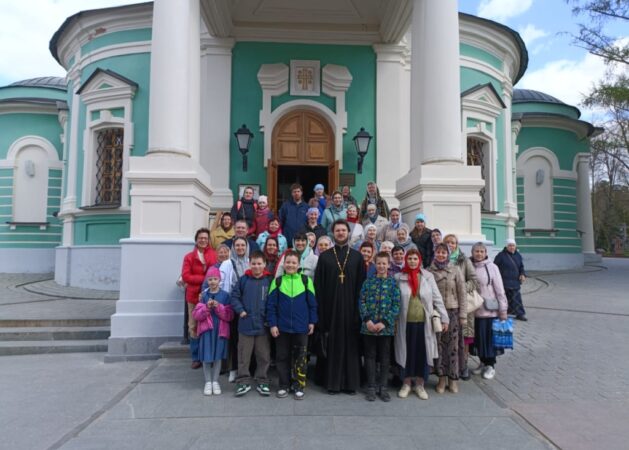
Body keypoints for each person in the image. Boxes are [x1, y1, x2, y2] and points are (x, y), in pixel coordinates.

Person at [314, 219, 366, 394]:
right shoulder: (325, 257)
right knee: (332, 345)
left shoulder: (357, 257)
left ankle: (351, 384)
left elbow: (362, 286)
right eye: (338, 230)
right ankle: (332, 383)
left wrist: (360, 312)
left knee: (351, 347)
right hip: (331, 311)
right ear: (333, 233)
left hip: (352, 310)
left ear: (348, 233)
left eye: (344, 230)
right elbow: (319, 287)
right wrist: (321, 314)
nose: (341, 233)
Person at [395, 249, 448, 400]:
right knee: (407, 353)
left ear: (419, 260)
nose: (412, 261)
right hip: (405, 322)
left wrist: (445, 318)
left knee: (422, 353)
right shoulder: (399, 277)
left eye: (415, 259)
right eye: (409, 258)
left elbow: (437, 298)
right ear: (406, 260)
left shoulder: (427, 276)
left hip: (424, 323)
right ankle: (406, 383)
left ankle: (419, 384)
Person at [267, 250, 318, 400]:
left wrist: (312, 321)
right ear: (284, 264)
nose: (290, 265)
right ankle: (284, 385)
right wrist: (273, 324)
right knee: (282, 357)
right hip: (282, 327)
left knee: (300, 357)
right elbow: (271, 306)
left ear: (298, 265)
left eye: (293, 262)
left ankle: (299, 385)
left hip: (301, 327)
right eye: (287, 262)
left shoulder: (305, 281)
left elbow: (312, 304)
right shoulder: (277, 281)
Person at [359, 252, 401, 401]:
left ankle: (383, 387)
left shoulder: (393, 283)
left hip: (385, 328)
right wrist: (368, 320)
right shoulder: (368, 282)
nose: (381, 266)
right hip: (368, 327)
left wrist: (384, 322)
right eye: (379, 263)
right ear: (375, 264)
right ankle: (371, 386)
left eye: (384, 263)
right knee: (369, 356)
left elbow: (396, 305)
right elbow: (361, 302)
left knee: (384, 357)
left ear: (389, 265)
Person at [230, 250, 273, 397]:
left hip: (263, 325)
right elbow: (234, 297)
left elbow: (273, 301)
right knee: (244, 355)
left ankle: (262, 380)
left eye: (259, 263)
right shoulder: (243, 280)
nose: (256, 266)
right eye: (253, 263)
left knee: (264, 355)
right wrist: (240, 310)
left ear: (264, 264)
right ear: (249, 264)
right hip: (246, 324)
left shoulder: (269, 280)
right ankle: (243, 381)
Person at [429, 243, 466, 394]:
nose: (441, 255)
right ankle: (441, 378)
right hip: (437, 313)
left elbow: (462, 294)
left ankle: (453, 378)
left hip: (453, 311)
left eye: (444, 253)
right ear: (435, 253)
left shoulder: (455, 270)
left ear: (448, 254)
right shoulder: (429, 271)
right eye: (439, 252)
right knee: (439, 346)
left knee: (453, 347)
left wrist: (463, 315)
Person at [443, 233, 479, 380]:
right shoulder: (441, 258)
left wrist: (461, 287)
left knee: (464, 337)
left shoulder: (463, 260)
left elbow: (474, 280)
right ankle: (449, 367)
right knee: (448, 338)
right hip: (447, 304)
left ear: (457, 244)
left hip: (463, 304)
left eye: (453, 242)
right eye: (448, 243)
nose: (450, 245)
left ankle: (463, 366)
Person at [193, 267, 233, 395]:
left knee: (217, 356)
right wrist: (206, 307)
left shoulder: (225, 295)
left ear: (219, 280)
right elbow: (196, 315)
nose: (212, 282)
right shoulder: (203, 296)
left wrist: (218, 307)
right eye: (210, 279)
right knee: (206, 356)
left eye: (215, 279)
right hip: (207, 331)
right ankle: (207, 382)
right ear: (207, 280)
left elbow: (230, 315)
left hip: (220, 331)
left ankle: (215, 381)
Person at [471, 242, 508, 380]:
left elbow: (500, 289)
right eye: (476, 251)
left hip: (490, 311)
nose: (479, 254)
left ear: (486, 253)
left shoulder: (492, 268)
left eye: (481, 251)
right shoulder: (470, 266)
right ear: (472, 252)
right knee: (479, 340)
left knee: (489, 339)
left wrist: (503, 309)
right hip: (475, 310)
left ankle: (490, 365)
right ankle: (482, 362)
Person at [181, 228, 218, 369]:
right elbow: (186, 276)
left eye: (205, 238)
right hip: (193, 296)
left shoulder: (213, 255)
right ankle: (196, 357)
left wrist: (207, 281)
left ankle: (209, 355)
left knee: (209, 325)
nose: (203, 240)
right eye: (200, 238)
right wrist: (205, 279)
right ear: (196, 240)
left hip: (210, 295)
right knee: (193, 326)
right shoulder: (189, 257)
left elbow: (215, 274)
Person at [219, 236, 250, 382]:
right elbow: (222, 283)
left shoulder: (251, 262)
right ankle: (233, 368)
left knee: (245, 340)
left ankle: (245, 368)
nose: (240, 248)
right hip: (232, 306)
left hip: (248, 307)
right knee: (233, 339)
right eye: (237, 245)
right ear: (233, 247)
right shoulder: (227, 263)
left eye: (242, 245)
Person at [494, 239, 528, 321]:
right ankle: (502, 313)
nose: (512, 247)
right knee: (504, 299)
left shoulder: (518, 255)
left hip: (515, 282)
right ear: (506, 246)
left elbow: (521, 267)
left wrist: (522, 274)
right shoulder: (501, 255)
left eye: (513, 245)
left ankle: (520, 314)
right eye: (510, 245)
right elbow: (494, 267)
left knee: (516, 299)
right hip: (504, 282)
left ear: (515, 246)